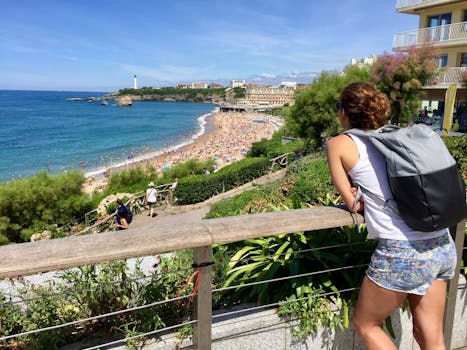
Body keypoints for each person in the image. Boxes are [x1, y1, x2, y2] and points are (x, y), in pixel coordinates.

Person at [326, 82, 457, 350]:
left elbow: (353, 204)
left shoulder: (339, 143)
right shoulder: (400, 136)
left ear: (344, 113)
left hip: (402, 252)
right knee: (431, 337)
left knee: (366, 325)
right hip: (442, 244)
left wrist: (357, 194)